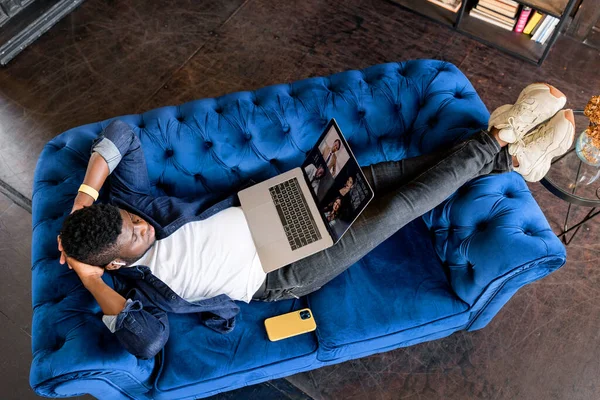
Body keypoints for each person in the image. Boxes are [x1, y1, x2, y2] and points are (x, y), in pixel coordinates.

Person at [57, 83, 573, 359]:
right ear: (115, 263)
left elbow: (122, 133)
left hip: (275, 205)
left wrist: (87, 193)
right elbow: (147, 342)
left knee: (387, 175)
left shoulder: (128, 208)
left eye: (130, 217)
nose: (141, 225)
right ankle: (501, 141)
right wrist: (89, 278)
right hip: (285, 270)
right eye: (135, 235)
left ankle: (510, 157)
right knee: (399, 207)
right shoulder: (137, 295)